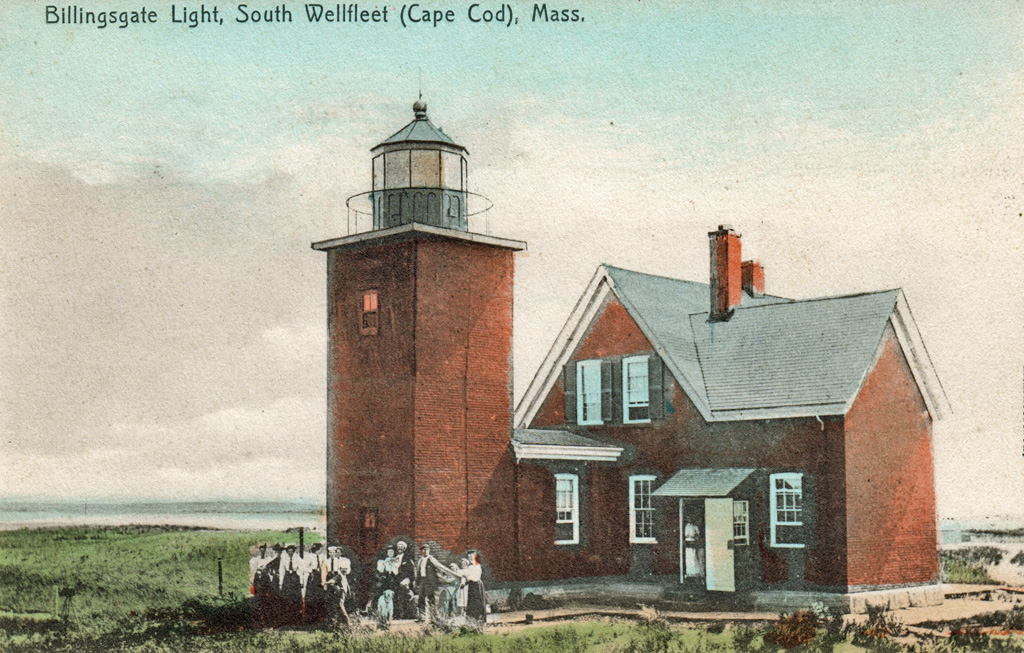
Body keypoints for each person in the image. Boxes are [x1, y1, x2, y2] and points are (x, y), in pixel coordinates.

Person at [321, 546, 351, 627]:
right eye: (330, 552)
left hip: (338, 581)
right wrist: (324, 583)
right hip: (330, 581)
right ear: (328, 553)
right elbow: (324, 573)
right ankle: (333, 621)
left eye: (333, 552)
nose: (332, 554)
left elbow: (343, 572)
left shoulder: (341, 561)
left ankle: (346, 620)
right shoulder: (326, 561)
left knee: (340, 603)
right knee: (331, 602)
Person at [278, 544, 304, 624]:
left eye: (292, 551)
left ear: (294, 551)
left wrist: (301, 581)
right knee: (287, 597)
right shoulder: (283, 559)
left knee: (295, 597)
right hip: (287, 579)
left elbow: (301, 570)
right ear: (287, 552)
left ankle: (296, 617)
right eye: (289, 551)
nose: (290, 553)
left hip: (295, 578)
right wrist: (281, 583)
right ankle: (287, 617)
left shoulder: (298, 559)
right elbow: (281, 571)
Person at [391, 540, 415, 619]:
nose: (400, 548)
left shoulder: (407, 558)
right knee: (396, 597)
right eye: (399, 547)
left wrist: (408, 580)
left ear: (404, 549)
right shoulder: (394, 558)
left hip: (404, 580)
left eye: (401, 547)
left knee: (405, 597)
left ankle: (406, 615)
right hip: (396, 580)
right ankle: (397, 615)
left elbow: (411, 571)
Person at [415, 543, 440, 621]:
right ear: (421, 551)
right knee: (421, 598)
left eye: (427, 549)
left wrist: (435, 581)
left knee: (431, 598)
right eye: (423, 550)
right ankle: (422, 616)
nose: (425, 551)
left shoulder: (431, 559)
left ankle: (433, 616)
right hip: (422, 580)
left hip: (430, 582)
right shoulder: (420, 560)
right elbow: (418, 572)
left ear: (429, 550)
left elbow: (438, 568)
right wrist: (417, 583)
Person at [374, 545, 397, 622]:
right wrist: (385, 562)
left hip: (393, 580)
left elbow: (396, 571)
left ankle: (392, 614)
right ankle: (381, 614)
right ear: (387, 553)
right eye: (389, 552)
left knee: (393, 595)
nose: (391, 553)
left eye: (392, 552)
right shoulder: (382, 561)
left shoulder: (395, 561)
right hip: (385, 580)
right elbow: (380, 570)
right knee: (382, 596)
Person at [463, 550, 486, 622]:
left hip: (476, 584)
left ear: (475, 556)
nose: (470, 557)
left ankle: (479, 619)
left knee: (478, 601)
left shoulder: (476, 565)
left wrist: (467, 578)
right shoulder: (469, 566)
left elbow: (475, 577)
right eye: (468, 556)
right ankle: (472, 619)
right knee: (471, 602)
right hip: (471, 585)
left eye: (471, 556)